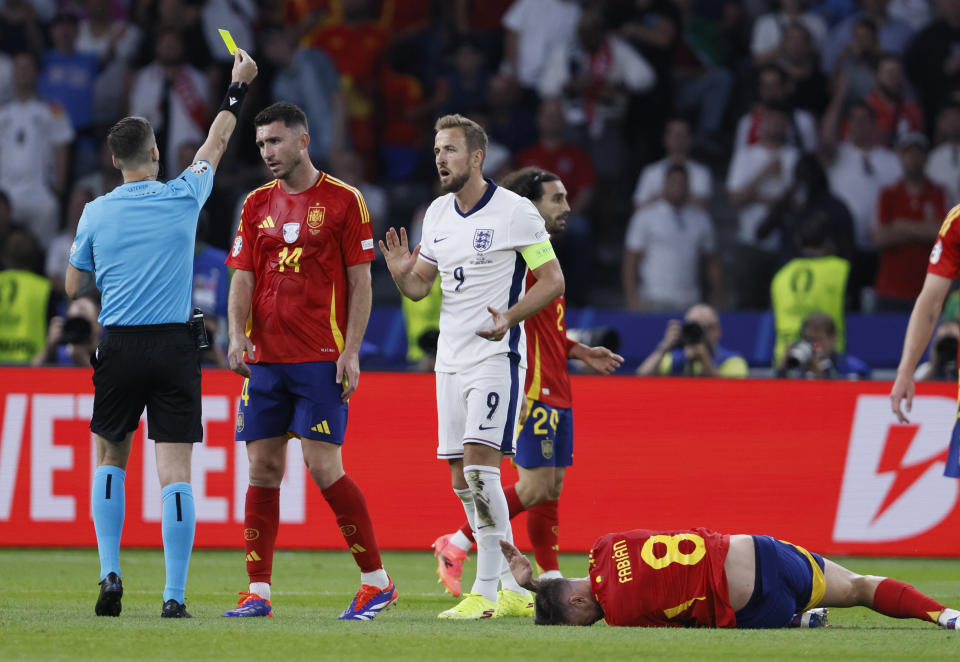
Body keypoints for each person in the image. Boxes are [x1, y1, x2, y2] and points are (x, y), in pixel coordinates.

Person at [64, 49, 258, 619]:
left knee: (109, 459)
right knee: (175, 473)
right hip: (176, 346)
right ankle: (174, 596)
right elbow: (216, 143)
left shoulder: (96, 212)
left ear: (113, 161)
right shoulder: (183, 195)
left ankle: (109, 575)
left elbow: (76, 282)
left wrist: (106, 265)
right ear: (153, 153)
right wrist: (235, 86)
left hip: (119, 343)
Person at [380, 114, 565, 619]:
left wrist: (509, 317)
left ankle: (483, 594)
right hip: (449, 362)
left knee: (483, 471)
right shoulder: (437, 213)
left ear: (477, 157)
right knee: (461, 480)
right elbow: (419, 286)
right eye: (437, 150)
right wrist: (400, 273)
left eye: (451, 150)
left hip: (494, 357)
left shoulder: (516, 212)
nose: (440, 158)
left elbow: (552, 280)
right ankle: (508, 581)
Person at [222, 101, 396, 621]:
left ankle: (376, 582)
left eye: (275, 142)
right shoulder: (255, 205)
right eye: (260, 145)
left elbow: (362, 280)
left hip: (321, 358)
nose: (267, 153)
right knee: (263, 468)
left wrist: (352, 350)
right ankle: (258, 592)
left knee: (323, 468)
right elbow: (243, 276)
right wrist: (235, 334)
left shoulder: (345, 201)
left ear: (303, 141)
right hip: (265, 361)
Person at [430, 166, 623, 598]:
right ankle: (457, 542)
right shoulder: (514, 256)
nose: (567, 207)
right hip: (530, 386)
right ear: (527, 208)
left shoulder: (543, 258)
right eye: (556, 199)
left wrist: (578, 350)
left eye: (566, 197)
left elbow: (548, 327)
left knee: (549, 488)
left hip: (558, 384)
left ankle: (550, 575)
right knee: (532, 485)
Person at [500, 527, 960, 629]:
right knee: (859, 586)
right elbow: (594, 584)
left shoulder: (618, 617)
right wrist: (540, 584)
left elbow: (686, 626)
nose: (592, 625)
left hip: (757, 606)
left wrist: (538, 587)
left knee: (699, 620)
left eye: (581, 623)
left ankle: (795, 621)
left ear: (577, 607)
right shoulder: (605, 545)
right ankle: (945, 616)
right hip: (760, 550)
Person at [623, 164, 723, 311]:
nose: (677, 187)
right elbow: (631, 260)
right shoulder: (645, 216)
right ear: (664, 185)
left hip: (689, 302)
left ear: (689, 186)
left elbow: (711, 262)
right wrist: (631, 298)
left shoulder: (701, 219)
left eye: (682, 183)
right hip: (654, 299)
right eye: (673, 182)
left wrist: (719, 297)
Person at [873, 132, 946, 312]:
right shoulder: (888, 194)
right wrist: (924, 229)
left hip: (929, 288)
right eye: (908, 153)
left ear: (926, 157)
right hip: (891, 290)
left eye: (918, 153)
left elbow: (944, 234)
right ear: (901, 157)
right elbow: (880, 237)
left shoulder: (939, 193)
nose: (914, 158)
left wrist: (901, 226)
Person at [636, 304, 748, 378]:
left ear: (717, 330)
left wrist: (706, 362)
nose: (698, 333)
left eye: (704, 327)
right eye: (692, 327)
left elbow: (732, 393)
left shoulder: (733, 360)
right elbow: (641, 378)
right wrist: (664, 347)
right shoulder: (674, 359)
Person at [777, 311, 869, 379]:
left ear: (833, 338)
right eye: (808, 340)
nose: (813, 345)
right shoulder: (799, 367)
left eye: (817, 340)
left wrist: (822, 377)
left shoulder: (855, 368)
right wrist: (782, 369)